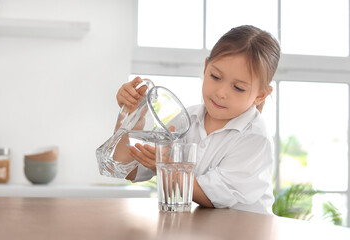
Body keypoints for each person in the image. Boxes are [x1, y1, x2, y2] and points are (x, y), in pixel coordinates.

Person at [116, 25, 280, 215]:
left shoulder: (254, 138)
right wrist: (129, 115)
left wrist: (166, 167)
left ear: (260, 95)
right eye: (215, 76)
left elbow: (211, 198)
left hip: (244, 231)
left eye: (238, 88)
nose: (221, 93)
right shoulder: (188, 120)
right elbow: (129, 169)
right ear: (205, 68)